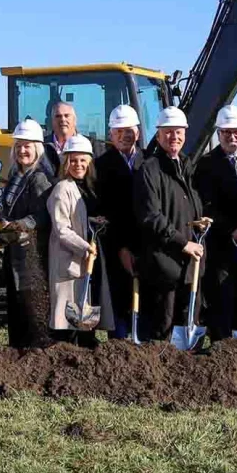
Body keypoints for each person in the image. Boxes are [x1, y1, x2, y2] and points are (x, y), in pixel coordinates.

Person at [133, 106, 205, 341]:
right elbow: (151, 216)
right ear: (159, 134)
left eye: (179, 132)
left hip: (189, 265)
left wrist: (201, 220)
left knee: (187, 325)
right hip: (164, 266)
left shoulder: (186, 165)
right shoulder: (149, 170)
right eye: (168, 132)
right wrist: (183, 243)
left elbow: (189, 204)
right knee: (163, 330)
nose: (174, 137)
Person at [193, 104, 237, 341]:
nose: (233, 137)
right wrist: (232, 228)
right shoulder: (207, 164)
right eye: (227, 132)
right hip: (220, 245)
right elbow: (207, 206)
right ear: (218, 133)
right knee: (222, 298)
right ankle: (220, 346)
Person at [48, 134, 112, 345]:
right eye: (73, 160)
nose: (78, 165)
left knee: (81, 317)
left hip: (84, 260)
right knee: (66, 320)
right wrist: (85, 247)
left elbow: (82, 217)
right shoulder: (62, 189)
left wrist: (95, 220)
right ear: (66, 162)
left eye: (83, 160)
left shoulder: (88, 187)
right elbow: (61, 229)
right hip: (68, 260)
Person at [0, 118, 55, 349]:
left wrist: (17, 225)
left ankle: (34, 350)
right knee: (16, 302)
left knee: (31, 303)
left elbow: (42, 215)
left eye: (27, 146)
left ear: (37, 149)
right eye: (19, 145)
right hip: (15, 248)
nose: (23, 150)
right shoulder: (16, 175)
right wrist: (4, 218)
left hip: (31, 252)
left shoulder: (38, 178)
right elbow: (9, 205)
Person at [94, 105, 145, 340]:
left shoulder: (149, 162)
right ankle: (120, 343)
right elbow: (103, 210)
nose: (124, 136)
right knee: (117, 295)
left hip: (145, 242)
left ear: (138, 132)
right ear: (111, 134)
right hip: (115, 245)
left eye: (129, 130)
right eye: (118, 131)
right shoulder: (101, 166)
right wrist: (122, 247)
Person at [41, 101, 79, 175]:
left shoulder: (91, 146)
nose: (62, 119)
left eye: (67, 115)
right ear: (52, 121)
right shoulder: (40, 146)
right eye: (58, 116)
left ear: (75, 120)